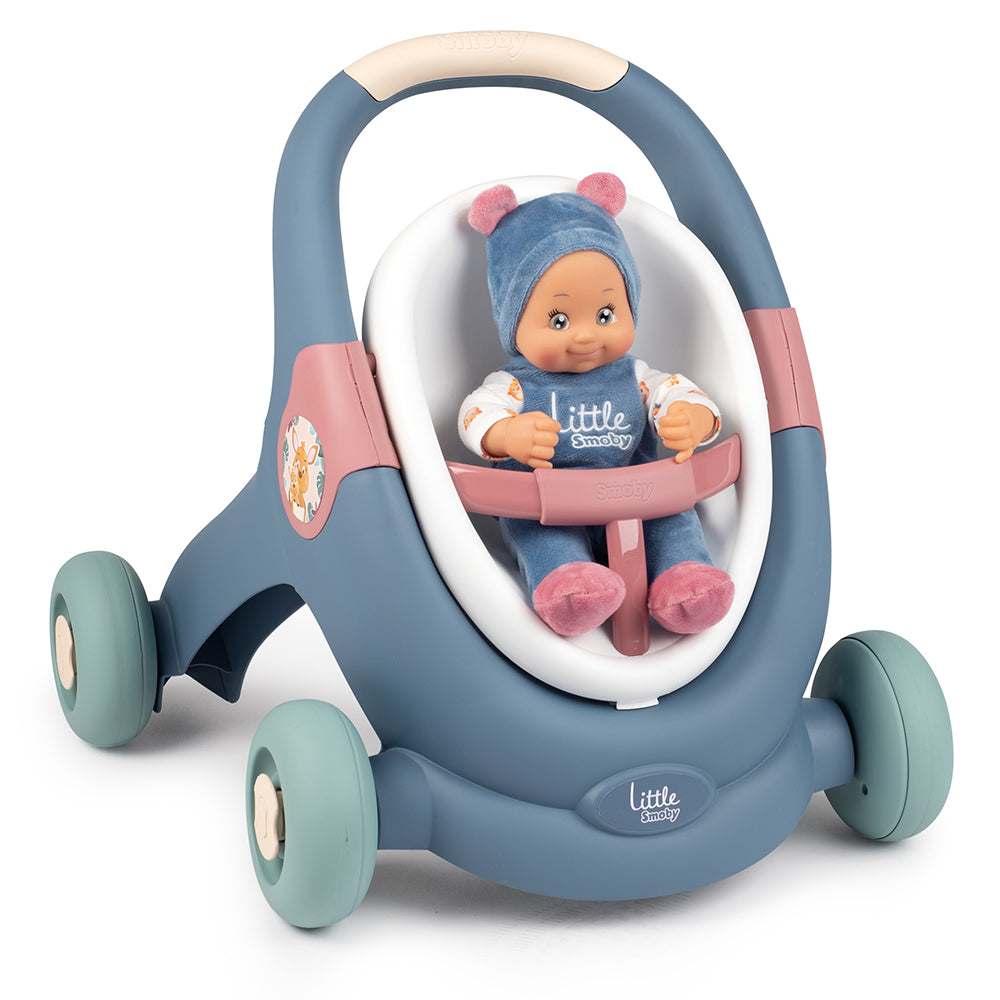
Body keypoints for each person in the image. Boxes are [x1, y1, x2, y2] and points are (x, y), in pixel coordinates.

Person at [459, 173, 734, 638]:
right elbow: (475, 413)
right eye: (559, 320)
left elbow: (676, 391)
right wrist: (505, 435)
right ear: (513, 322)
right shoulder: (514, 386)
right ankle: (568, 587)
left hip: (642, 498)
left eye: (606, 315)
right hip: (548, 507)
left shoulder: (635, 376)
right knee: (540, 536)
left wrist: (693, 418)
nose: (585, 335)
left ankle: (684, 582)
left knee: (674, 518)